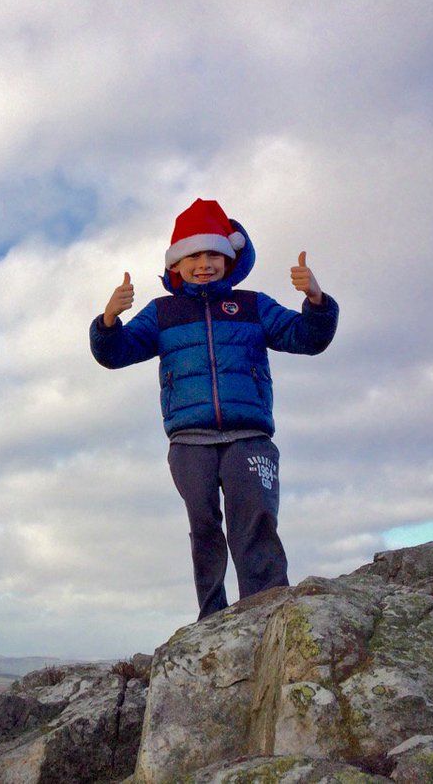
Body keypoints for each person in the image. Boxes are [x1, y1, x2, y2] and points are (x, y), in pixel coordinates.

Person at [88, 198, 338, 620]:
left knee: (255, 522)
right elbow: (115, 354)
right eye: (193, 256)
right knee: (204, 529)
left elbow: (307, 339)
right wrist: (109, 320)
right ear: (177, 265)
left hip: (250, 436)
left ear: (229, 259)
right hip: (189, 440)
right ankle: (213, 621)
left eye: (213, 254)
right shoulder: (162, 314)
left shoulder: (252, 306)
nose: (204, 264)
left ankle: (268, 614)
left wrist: (315, 300)